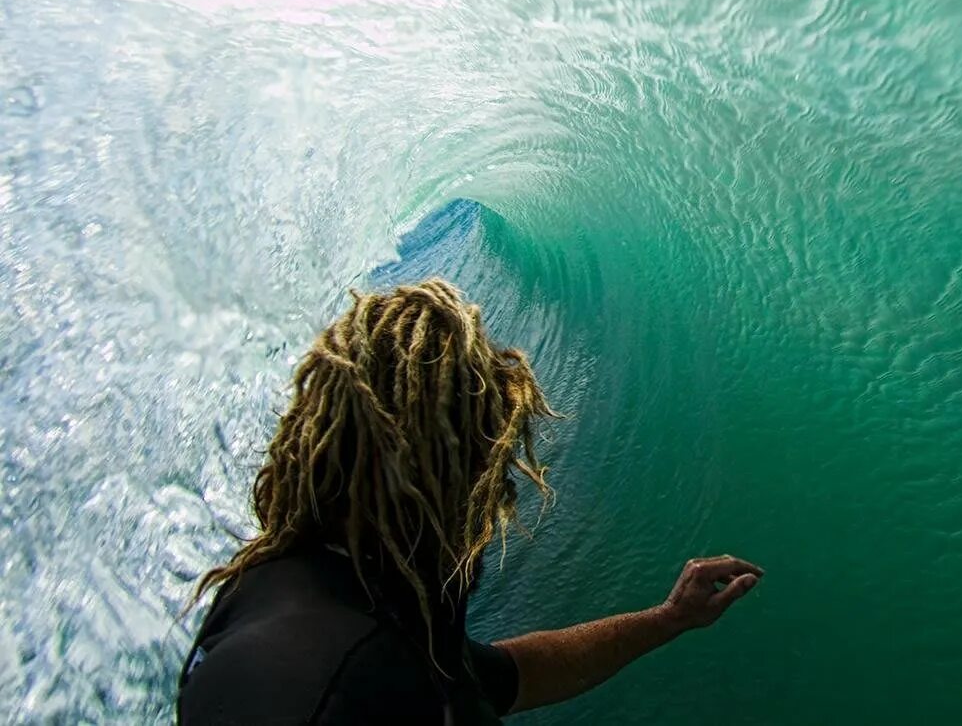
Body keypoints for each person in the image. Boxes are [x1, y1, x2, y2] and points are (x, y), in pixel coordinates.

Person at [177, 278, 761, 724]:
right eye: (491, 455)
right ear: (445, 469)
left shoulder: (284, 590)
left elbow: (506, 675)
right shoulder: (373, 689)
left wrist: (668, 619)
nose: (500, 488)